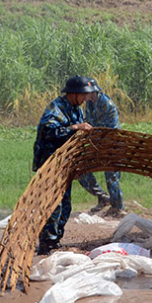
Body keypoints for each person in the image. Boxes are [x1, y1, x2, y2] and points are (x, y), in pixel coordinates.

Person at [34, 76, 98, 254]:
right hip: (50, 164)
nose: (86, 98)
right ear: (73, 93)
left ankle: (55, 241)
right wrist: (75, 128)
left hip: (65, 164)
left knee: (66, 205)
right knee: (53, 205)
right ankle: (46, 244)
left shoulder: (76, 110)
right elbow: (50, 132)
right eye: (83, 95)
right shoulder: (55, 109)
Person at [77, 79, 125, 217]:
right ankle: (103, 198)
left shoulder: (105, 103)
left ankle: (118, 207)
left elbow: (108, 129)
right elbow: (89, 123)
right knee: (82, 172)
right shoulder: (89, 105)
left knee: (111, 176)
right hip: (98, 143)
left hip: (112, 144)